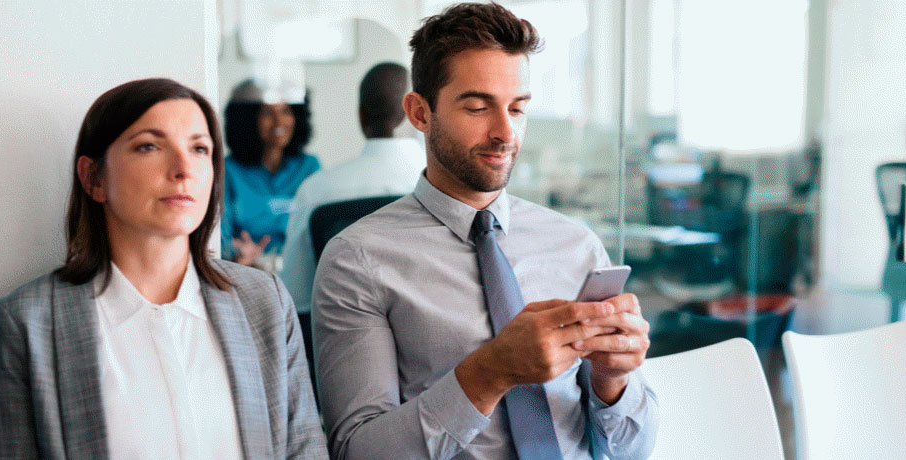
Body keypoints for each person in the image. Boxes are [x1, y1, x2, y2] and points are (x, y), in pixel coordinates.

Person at [313, 4, 658, 460]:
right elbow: (358, 452)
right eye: (478, 107)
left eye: (517, 108)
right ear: (419, 113)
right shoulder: (357, 260)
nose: (505, 132)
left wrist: (612, 382)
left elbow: (633, 451)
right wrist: (489, 373)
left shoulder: (577, 247)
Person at [0, 78, 328, 460]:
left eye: (199, 148)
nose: (183, 169)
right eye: (149, 146)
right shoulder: (26, 325)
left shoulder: (267, 303)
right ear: (94, 178)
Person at [281, 61, 425, 318]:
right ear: (417, 113)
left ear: (361, 115)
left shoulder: (316, 190)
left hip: (337, 345)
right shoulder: (446, 186)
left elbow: (298, 298)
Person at [221, 79, 320, 266]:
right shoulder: (227, 171)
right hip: (246, 270)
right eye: (268, 112)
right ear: (248, 119)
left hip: (300, 270)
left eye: (285, 111)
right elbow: (219, 236)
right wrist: (236, 253)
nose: (279, 121)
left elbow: (319, 229)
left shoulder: (309, 167)